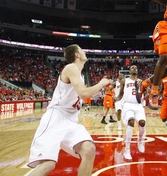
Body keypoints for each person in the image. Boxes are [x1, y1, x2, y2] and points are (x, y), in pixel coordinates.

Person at [27, 44, 112, 176]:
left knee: (88, 149)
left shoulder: (79, 75)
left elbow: (84, 93)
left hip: (70, 122)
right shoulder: (71, 68)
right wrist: (101, 83)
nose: (85, 52)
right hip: (55, 119)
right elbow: (84, 93)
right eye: (82, 50)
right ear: (77, 55)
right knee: (47, 164)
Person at [116, 65, 146, 160]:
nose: (134, 69)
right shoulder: (124, 81)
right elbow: (121, 94)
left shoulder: (141, 82)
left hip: (138, 105)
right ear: (129, 71)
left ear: (138, 71)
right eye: (132, 67)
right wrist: (116, 98)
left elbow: (147, 92)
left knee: (142, 123)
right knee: (131, 122)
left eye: (136, 68)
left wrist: (149, 93)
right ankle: (127, 149)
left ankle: (140, 140)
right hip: (128, 104)